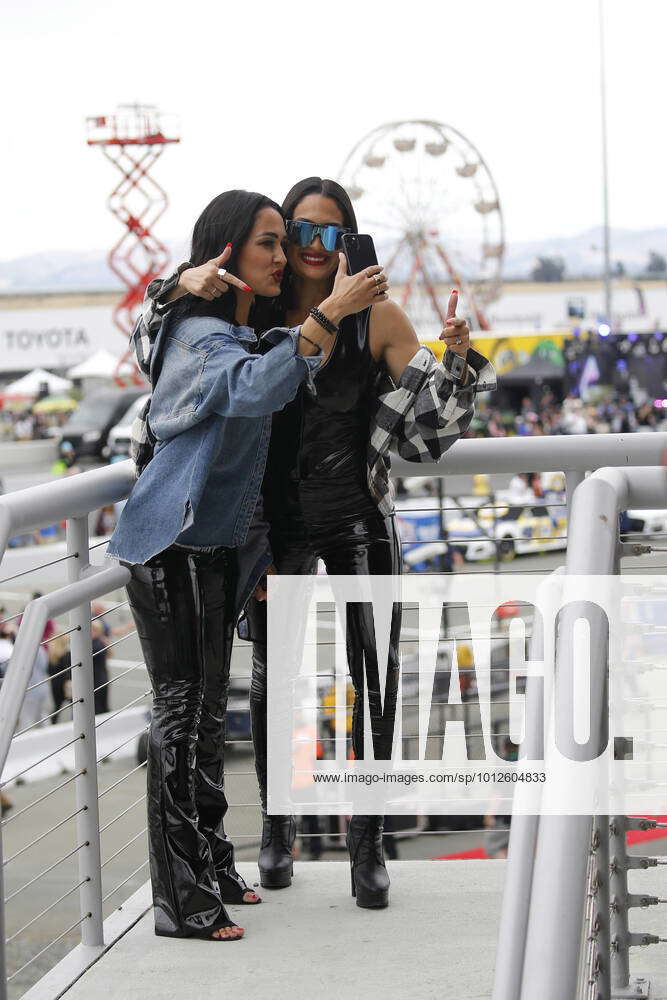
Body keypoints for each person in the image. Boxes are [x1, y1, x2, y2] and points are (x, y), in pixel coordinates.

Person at [140, 177, 496, 910]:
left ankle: (369, 845)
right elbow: (161, 341)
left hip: (359, 514)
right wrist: (180, 277)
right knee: (278, 680)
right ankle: (277, 831)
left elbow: (427, 437)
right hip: (271, 523)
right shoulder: (252, 310)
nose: (311, 248)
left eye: (332, 235)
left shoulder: (379, 317)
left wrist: (458, 361)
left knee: (373, 680)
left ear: (350, 243)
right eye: (298, 233)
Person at [106, 189, 387, 942]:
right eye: (267, 241)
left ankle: (213, 862)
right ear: (226, 254)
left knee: (200, 720)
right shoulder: (200, 335)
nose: (280, 254)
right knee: (178, 717)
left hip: (213, 546)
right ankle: (178, 897)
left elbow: (267, 360)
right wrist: (323, 313)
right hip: (172, 543)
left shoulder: (237, 334)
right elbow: (252, 386)